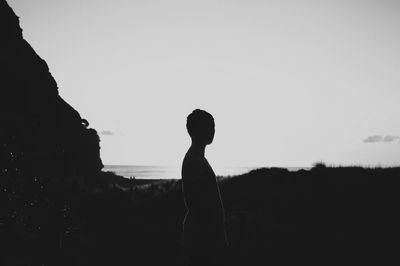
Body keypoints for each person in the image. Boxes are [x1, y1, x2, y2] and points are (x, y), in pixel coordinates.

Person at [181, 109, 229, 266]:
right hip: (203, 236)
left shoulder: (197, 158)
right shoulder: (195, 161)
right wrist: (215, 234)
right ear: (197, 130)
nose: (213, 130)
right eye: (209, 126)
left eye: (213, 126)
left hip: (204, 233)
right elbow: (200, 205)